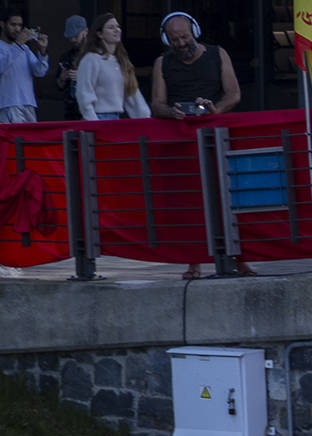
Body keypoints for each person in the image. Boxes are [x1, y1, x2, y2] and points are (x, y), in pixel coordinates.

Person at [152, 12, 240, 277]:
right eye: (174, 39)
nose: (180, 43)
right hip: (181, 138)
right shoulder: (162, 63)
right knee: (190, 203)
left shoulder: (217, 54)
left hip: (216, 135)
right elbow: (156, 104)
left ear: (195, 32)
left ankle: (240, 258)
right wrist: (172, 111)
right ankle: (194, 260)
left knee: (229, 198)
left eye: (185, 37)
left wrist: (215, 110)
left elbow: (234, 94)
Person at [77, 14, 149, 120]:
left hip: (115, 119)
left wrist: (145, 118)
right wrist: (93, 122)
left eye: (118, 27)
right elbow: (84, 94)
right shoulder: (91, 59)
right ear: (100, 34)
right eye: (111, 27)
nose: (116, 30)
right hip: (98, 118)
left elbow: (132, 94)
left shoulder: (121, 61)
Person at [0, 10, 51, 123]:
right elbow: (1, 67)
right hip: (9, 103)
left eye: (20, 25)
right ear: (3, 25)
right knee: (15, 139)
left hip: (28, 103)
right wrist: (18, 44)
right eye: (13, 25)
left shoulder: (25, 49)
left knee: (31, 139)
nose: (17, 29)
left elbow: (40, 72)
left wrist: (42, 51)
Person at [55, 16, 90, 121]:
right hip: (71, 113)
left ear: (86, 31)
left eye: (76, 36)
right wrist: (62, 78)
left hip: (92, 110)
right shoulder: (66, 57)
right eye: (70, 37)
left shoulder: (95, 55)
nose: (73, 40)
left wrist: (82, 77)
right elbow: (58, 86)